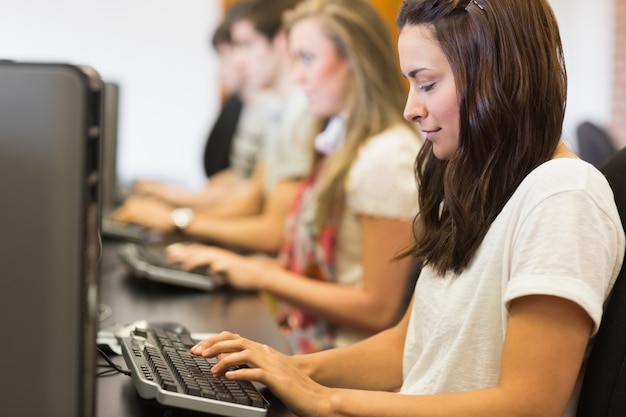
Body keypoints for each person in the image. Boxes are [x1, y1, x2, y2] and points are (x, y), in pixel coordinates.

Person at [182, 0, 626, 416]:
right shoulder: (477, 183)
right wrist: (289, 368)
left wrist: (330, 402)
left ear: (498, 76)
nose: (411, 108)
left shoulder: (564, 195)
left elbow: (529, 403)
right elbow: (406, 345)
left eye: (427, 83)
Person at [167, 0, 422, 353]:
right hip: (307, 338)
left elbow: (377, 309)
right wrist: (245, 267)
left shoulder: (387, 156)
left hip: (340, 359)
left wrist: (261, 275)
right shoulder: (339, 140)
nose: (297, 76)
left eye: (306, 59)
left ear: (354, 59)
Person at [115, 0, 316, 254]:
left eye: (247, 44)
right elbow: (251, 190)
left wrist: (177, 218)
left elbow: (272, 228)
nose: (237, 61)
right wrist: (174, 205)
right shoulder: (281, 110)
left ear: (280, 41)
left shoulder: (297, 112)